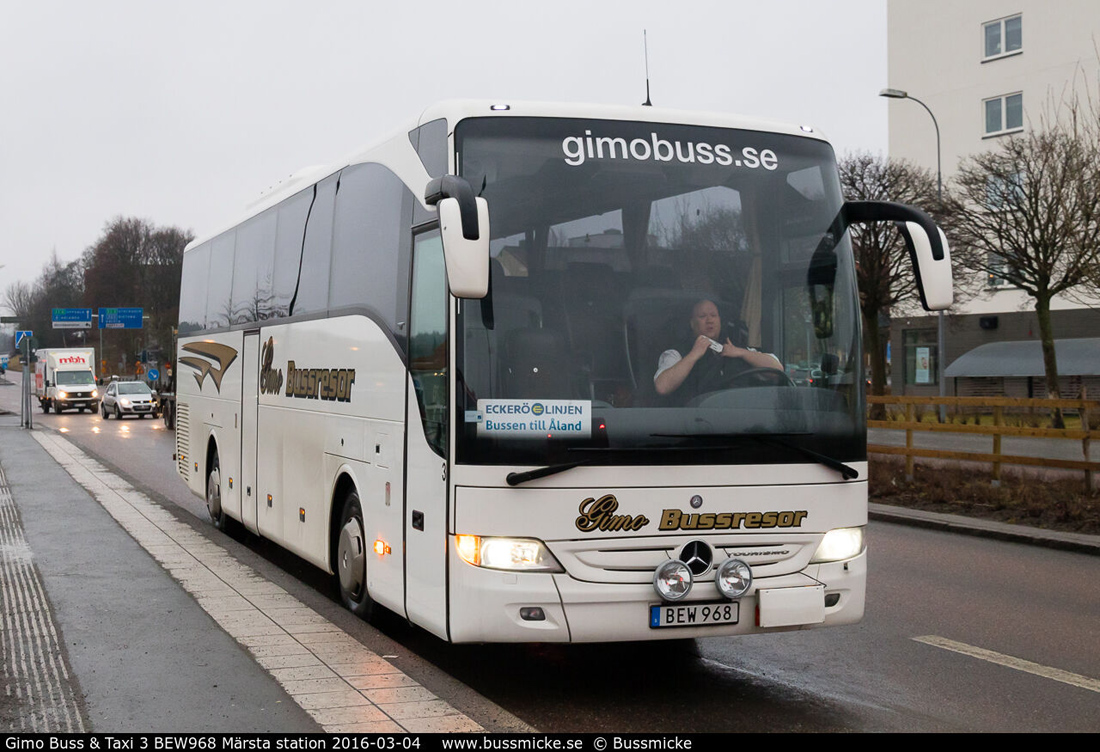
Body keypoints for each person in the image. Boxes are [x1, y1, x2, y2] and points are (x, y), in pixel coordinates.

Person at [653, 299, 782, 399]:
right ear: (692, 323)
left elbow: (777, 370)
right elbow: (662, 387)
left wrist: (741, 352)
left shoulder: (736, 348)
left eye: (713, 315)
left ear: (720, 321)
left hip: (740, 423)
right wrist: (694, 354)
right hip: (696, 423)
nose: (709, 320)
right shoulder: (677, 353)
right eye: (702, 316)